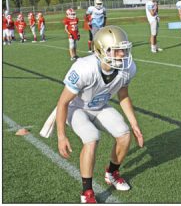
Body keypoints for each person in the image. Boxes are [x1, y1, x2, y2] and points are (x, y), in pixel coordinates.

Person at [56, 25, 144, 203]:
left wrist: (135, 124)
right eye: (116, 50)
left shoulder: (127, 68)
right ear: (100, 50)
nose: (122, 55)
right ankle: (87, 191)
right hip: (77, 108)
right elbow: (63, 102)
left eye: (124, 50)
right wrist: (61, 135)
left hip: (99, 107)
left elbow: (123, 96)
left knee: (124, 134)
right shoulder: (84, 68)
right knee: (91, 138)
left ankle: (111, 173)